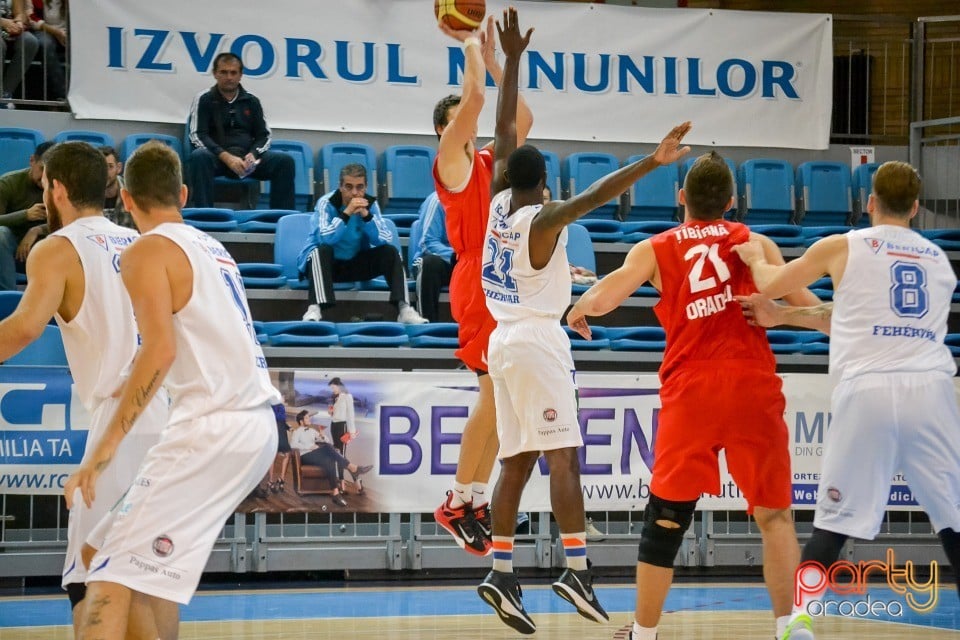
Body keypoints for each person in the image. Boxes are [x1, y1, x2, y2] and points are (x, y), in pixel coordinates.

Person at [565, 151, 820, 640]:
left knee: (666, 518)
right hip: (752, 385)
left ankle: (644, 632)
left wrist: (581, 308)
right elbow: (817, 313)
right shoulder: (757, 243)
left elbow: (606, 297)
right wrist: (786, 315)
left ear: (681, 197)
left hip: (692, 390)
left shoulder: (656, 247)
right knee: (775, 514)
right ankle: (791, 627)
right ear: (730, 202)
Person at [64, 141, 281, 640]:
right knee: (109, 558)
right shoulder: (215, 248)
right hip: (252, 424)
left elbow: (157, 352)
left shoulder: (145, 251)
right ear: (182, 193)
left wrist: (102, 454)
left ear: (125, 197)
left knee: (106, 575)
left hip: (212, 426)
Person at [733, 160, 960, 618]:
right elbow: (854, 316)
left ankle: (797, 621)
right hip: (932, 390)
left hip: (868, 390)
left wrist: (757, 260)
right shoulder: (939, 262)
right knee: (954, 523)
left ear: (870, 202)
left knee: (832, 525)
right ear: (915, 207)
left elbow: (773, 284)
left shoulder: (843, 245)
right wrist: (788, 316)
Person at [0, 141, 171, 638]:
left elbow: (24, 328)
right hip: (167, 417)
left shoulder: (58, 247)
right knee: (149, 579)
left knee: (93, 581)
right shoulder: (141, 242)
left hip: (120, 424)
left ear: (55, 187)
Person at [431, 9, 536, 558]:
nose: (472, 124)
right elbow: (472, 108)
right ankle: (456, 498)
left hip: (507, 273)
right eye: (459, 121)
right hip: (477, 276)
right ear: (445, 130)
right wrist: (470, 44)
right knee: (494, 397)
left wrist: (497, 64)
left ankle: (469, 499)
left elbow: (521, 116)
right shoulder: (452, 162)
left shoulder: (495, 158)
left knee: (506, 405)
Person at [297, 164, 427, 324]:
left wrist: (366, 216)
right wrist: (347, 213)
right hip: (325, 267)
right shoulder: (326, 203)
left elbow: (384, 238)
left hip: (353, 263)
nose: (354, 193)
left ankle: (404, 308)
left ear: (365, 187)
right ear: (340, 187)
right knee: (320, 251)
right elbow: (325, 237)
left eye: (359, 187)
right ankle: (314, 307)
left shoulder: (370, 205)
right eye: (349, 187)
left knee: (390, 252)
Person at [187, 52, 295, 210]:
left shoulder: (252, 101)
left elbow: (264, 135)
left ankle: (281, 219)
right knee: (199, 157)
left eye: (233, 72)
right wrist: (226, 157)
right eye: (224, 72)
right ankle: (205, 215)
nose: (229, 77)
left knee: (285, 161)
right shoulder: (204, 99)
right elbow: (197, 135)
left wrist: (253, 154)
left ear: (240, 75)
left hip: (247, 161)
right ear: (215, 74)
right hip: (218, 159)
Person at [289, 409, 372, 508]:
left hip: (316, 455)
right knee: (328, 448)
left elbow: (327, 441)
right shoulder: (297, 432)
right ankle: (352, 468)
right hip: (304, 456)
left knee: (329, 458)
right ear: (301, 421)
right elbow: (293, 444)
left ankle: (336, 494)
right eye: (307, 418)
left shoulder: (312, 431)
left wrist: (322, 435)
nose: (309, 419)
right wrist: (309, 446)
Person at [0, 140, 52, 289]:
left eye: (50, 171)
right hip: (11, 248)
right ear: (32, 161)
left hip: (45, 245)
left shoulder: (60, 186)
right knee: (1, 234)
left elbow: (70, 222)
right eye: (42, 169)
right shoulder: (8, 183)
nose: (44, 177)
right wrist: (25, 215)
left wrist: (36, 230)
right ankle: (8, 297)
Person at [410, 191, 454, 323]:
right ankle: (426, 324)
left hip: (465, 262)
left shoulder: (477, 200)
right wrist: (456, 256)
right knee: (429, 264)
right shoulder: (438, 200)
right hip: (440, 260)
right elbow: (428, 243)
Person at [0, 0, 38, 106]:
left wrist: (18, 23)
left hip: (8, 27)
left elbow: (19, 13)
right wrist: (3, 22)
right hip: (4, 25)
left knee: (30, 41)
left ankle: (5, 95)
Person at [27, 0, 65, 101]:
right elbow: (31, 18)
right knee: (46, 44)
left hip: (69, 30)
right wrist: (56, 32)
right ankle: (61, 95)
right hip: (43, 30)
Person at [100, 146, 135, 230]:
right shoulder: (87, 194)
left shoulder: (132, 192)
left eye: (110, 166)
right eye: (100, 167)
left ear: (118, 168)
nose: (105, 172)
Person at [268, 404, 293, 494]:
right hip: (275, 430)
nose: (283, 398)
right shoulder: (270, 406)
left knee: (287, 454)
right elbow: (273, 419)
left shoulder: (280, 406)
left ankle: (281, 478)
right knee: (273, 456)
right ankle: (271, 481)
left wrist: (287, 427)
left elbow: (282, 420)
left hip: (282, 431)